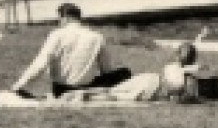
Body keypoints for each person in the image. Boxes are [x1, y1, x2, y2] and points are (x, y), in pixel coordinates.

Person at [8, 2, 131, 97]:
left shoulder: (57, 35)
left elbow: (40, 64)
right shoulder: (96, 37)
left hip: (62, 90)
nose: (59, 22)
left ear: (65, 18)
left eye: (59, 19)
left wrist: (18, 86)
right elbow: (106, 70)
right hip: (86, 87)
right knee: (125, 72)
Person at [62, 43, 200, 104]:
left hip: (150, 78)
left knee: (113, 90)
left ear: (177, 56)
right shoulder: (189, 78)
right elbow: (184, 96)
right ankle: (85, 95)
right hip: (152, 89)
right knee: (115, 96)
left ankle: (81, 92)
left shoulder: (171, 67)